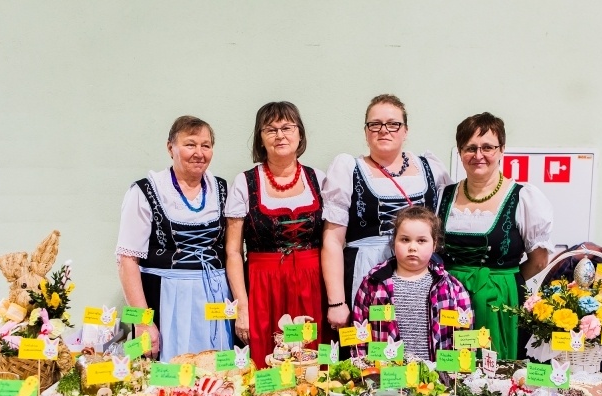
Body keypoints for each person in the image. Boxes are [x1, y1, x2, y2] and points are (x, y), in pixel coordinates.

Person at [322, 94, 453, 333]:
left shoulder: (430, 167)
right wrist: (337, 302)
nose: (384, 130)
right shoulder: (348, 169)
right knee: (370, 350)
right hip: (364, 271)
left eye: (393, 124)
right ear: (366, 131)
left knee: (418, 338)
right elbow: (332, 240)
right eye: (375, 124)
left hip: (420, 273)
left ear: (405, 130)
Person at [437, 112, 553, 360]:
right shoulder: (442, 196)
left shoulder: (523, 197)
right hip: (450, 299)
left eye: (487, 147)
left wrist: (505, 283)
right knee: (452, 371)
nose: (478, 155)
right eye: (470, 148)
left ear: (502, 150)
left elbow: (539, 260)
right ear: (460, 152)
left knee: (497, 370)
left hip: (501, 299)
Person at [116, 115, 232, 361]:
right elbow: (126, 260)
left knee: (216, 376)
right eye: (190, 144)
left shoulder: (222, 188)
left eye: (206, 145)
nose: (199, 153)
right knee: (165, 380)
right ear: (171, 148)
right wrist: (143, 322)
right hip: (163, 297)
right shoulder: (145, 191)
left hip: (214, 297)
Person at [225, 101, 326, 368]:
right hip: (262, 286)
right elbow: (233, 252)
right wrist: (242, 308)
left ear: (300, 133)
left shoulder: (321, 180)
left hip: (312, 285)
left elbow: (332, 242)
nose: (280, 135)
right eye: (270, 129)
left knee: (311, 361)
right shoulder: (244, 183)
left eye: (287, 127)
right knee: (266, 360)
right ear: (260, 138)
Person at [351, 206, 471, 362]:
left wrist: (460, 370)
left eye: (421, 240)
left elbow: (465, 336)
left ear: (434, 245)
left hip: (437, 379)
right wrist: (362, 367)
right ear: (394, 242)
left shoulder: (452, 288)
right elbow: (359, 329)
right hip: (388, 377)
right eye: (405, 239)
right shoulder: (373, 283)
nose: (412, 247)